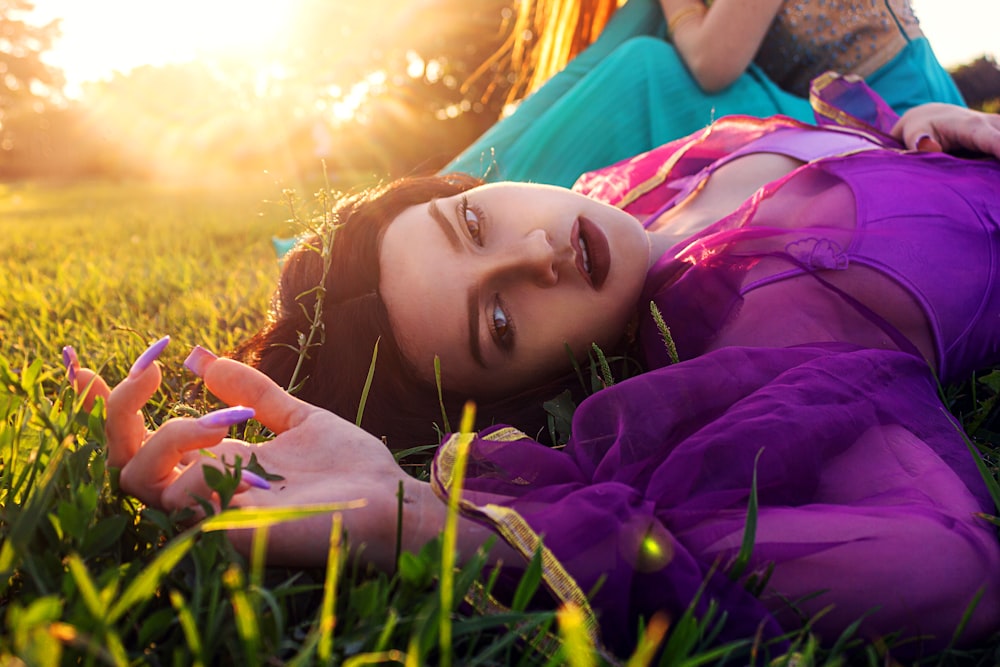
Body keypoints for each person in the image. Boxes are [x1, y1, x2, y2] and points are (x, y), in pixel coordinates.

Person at [66, 78, 1000, 657]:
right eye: (502, 319)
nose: (540, 255)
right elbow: (950, 563)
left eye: (474, 224)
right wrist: (428, 525)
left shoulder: (619, 191)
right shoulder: (755, 324)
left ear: (474, 187)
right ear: (534, 383)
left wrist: (921, 123)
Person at [447, 0, 965, 186]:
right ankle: (448, 192)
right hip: (826, 109)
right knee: (639, 26)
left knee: (648, 69)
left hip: (889, 123)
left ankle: (470, 200)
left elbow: (713, 65)